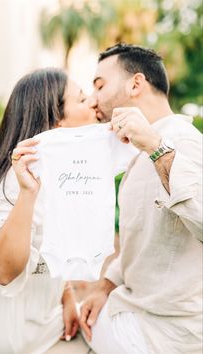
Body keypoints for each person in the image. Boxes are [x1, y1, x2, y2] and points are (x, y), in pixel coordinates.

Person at [80, 43, 202, 354]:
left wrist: (156, 147)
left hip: (167, 334)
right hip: (136, 312)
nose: (92, 99)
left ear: (136, 84)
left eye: (100, 85)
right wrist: (106, 285)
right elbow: (145, 243)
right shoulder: (138, 151)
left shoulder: (183, 141)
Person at [0, 68, 99, 353]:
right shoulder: (21, 179)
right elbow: (2, 271)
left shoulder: (59, 171)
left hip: (41, 323)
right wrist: (27, 194)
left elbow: (47, 244)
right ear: (56, 119)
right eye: (82, 99)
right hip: (8, 338)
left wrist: (65, 294)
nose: (93, 104)